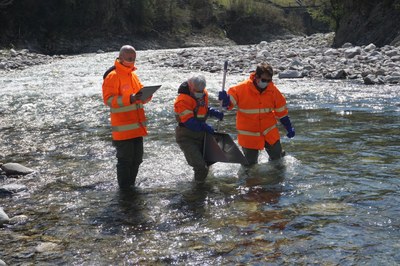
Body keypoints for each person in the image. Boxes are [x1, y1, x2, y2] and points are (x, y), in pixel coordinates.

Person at [218, 62, 295, 166]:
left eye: (269, 80)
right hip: (249, 135)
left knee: (278, 160)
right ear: (256, 77)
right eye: (264, 80)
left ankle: (276, 180)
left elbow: (281, 111)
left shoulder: (273, 90)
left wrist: (289, 127)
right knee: (250, 165)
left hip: (269, 132)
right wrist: (225, 100)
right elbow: (228, 105)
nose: (266, 83)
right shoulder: (240, 89)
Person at [102, 45, 152, 191]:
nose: (132, 61)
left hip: (137, 127)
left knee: (137, 160)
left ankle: (130, 186)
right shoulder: (113, 76)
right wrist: (130, 98)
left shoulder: (133, 75)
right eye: (130, 59)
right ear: (121, 57)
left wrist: (147, 95)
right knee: (125, 161)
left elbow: (140, 95)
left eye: (134, 59)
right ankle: (125, 190)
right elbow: (108, 100)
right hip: (123, 129)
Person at [174, 75, 224, 184]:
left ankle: (201, 183)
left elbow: (203, 109)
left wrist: (213, 112)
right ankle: (198, 189)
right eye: (197, 91)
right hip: (186, 137)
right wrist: (205, 127)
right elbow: (189, 122)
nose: (200, 93)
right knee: (201, 167)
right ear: (191, 87)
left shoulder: (202, 92)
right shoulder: (182, 100)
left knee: (209, 162)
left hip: (201, 135)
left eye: (202, 91)